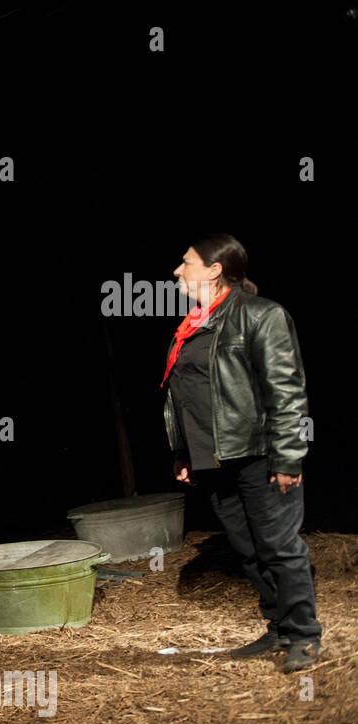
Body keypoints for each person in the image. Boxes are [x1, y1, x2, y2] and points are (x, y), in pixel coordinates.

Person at [162, 235, 321, 673]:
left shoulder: (261, 315)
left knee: (279, 546)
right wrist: (184, 453)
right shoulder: (195, 324)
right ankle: (279, 628)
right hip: (214, 459)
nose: (178, 271)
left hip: (257, 454)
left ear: (214, 269)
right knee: (248, 549)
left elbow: (286, 391)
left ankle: (304, 636)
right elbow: (188, 396)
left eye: (186, 262)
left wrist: (289, 457)